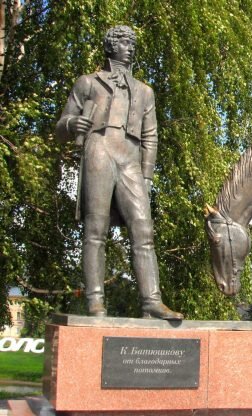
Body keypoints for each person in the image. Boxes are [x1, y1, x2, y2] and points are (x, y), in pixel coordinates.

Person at [56, 25, 183, 320]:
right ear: (111, 46)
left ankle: (151, 301)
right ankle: (95, 301)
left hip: (130, 158)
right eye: (125, 42)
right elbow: (61, 126)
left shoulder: (144, 91)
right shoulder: (88, 83)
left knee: (144, 229)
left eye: (132, 43)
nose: (131, 47)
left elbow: (151, 136)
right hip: (99, 149)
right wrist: (72, 125)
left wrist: (147, 175)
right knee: (95, 229)